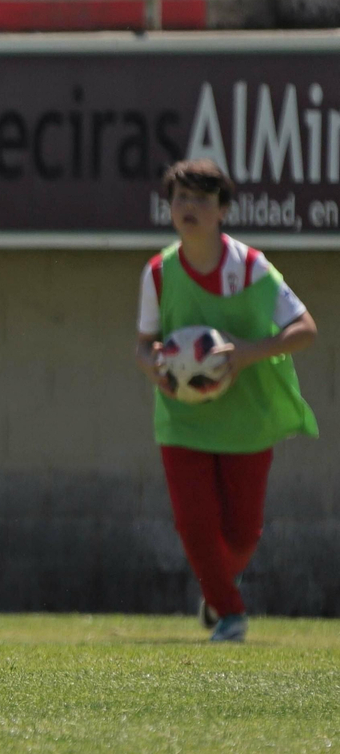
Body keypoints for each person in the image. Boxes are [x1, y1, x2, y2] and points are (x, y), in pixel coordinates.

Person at [134, 159, 318, 642]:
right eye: (180, 198)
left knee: (240, 537)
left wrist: (249, 352)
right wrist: (152, 364)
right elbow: (143, 343)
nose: (188, 208)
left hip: (246, 417)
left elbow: (305, 329)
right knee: (194, 523)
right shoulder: (156, 273)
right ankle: (231, 613)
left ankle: (219, 587)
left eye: (201, 199)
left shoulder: (253, 268)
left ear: (223, 211)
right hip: (182, 417)